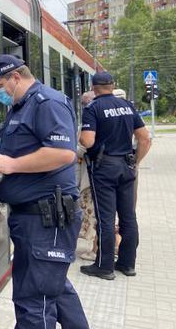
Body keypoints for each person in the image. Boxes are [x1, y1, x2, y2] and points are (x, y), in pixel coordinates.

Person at [0, 54, 89, 328]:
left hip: (46, 218)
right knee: (54, 287)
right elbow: (26, 152)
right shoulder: (19, 107)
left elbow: (63, 154)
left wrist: (12, 164)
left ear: (16, 77)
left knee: (34, 303)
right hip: (32, 218)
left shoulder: (47, 102)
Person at [79, 72, 152, 280]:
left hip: (104, 168)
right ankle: (127, 264)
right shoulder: (128, 106)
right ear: (112, 85)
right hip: (126, 166)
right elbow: (145, 139)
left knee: (105, 218)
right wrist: (135, 162)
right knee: (129, 217)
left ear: (94, 88)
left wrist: (82, 140)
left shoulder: (92, 108)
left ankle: (104, 266)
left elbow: (88, 141)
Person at [76, 91, 98, 261]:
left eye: (85, 104)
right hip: (110, 174)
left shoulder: (91, 124)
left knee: (93, 212)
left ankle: (96, 249)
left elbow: (84, 147)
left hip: (93, 175)